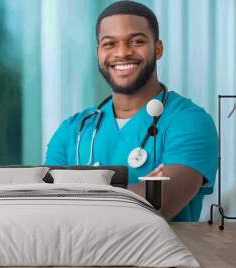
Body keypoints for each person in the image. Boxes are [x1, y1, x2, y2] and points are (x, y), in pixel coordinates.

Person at [44, 0, 218, 221]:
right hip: (75, 255)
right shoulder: (73, 130)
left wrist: (78, 187)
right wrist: (136, 188)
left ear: (157, 48)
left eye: (136, 41)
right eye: (109, 44)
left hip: (158, 255)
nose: (123, 52)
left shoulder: (190, 121)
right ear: (99, 53)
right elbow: (47, 205)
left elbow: (156, 205)